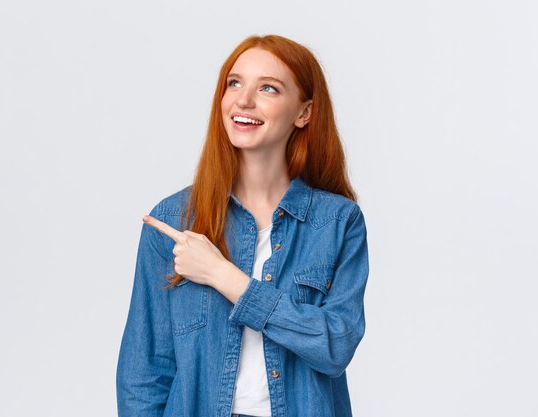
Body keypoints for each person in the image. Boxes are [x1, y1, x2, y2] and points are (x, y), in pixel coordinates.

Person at [116, 34, 369, 417]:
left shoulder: (337, 222)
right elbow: (144, 372)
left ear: (304, 113)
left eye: (268, 87)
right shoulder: (173, 221)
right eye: (234, 83)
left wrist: (222, 275)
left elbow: (335, 345)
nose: (244, 100)